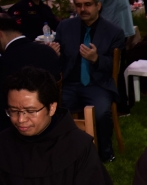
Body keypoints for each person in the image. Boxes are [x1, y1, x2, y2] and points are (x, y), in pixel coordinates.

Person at [48, 0, 124, 163]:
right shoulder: (65, 27)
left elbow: (116, 65)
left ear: (98, 5)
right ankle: (64, 152)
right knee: (54, 110)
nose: (82, 9)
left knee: (102, 111)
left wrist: (96, 59)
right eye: (78, 5)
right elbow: (60, 62)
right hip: (70, 83)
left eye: (87, 4)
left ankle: (105, 151)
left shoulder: (113, 32)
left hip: (97, 84)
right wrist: (54, 55)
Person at [0, 13, 60, 141]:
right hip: (52, 116)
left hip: (20, 127)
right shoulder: (48, 52)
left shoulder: (3, 63)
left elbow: (1, 104)